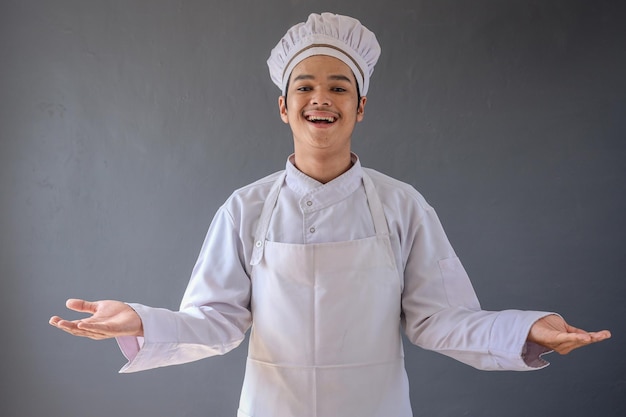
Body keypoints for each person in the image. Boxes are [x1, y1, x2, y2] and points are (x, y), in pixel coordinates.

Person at [49, 12, 611, 417]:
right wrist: (144, 322)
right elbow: (214, 322)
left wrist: (526, 330)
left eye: (339, 87)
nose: (322, 98)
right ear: (284, 105)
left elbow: (440, 318)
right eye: (306, 86)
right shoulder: (245, 209)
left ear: (360, 106)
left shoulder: (401, 205)